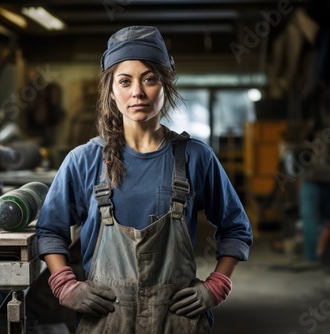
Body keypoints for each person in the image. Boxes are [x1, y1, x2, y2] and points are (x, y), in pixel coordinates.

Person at [36, 25, 253, 333]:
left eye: (149, 79)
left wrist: (217, 285)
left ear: (166, 84)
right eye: (125, 81)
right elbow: (50, 231)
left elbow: (236, 228)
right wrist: (65, 285)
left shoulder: (196, 158)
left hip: (177, 321)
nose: (137, 92)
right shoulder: (83, 160)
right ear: (111, 90)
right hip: (105, 320)